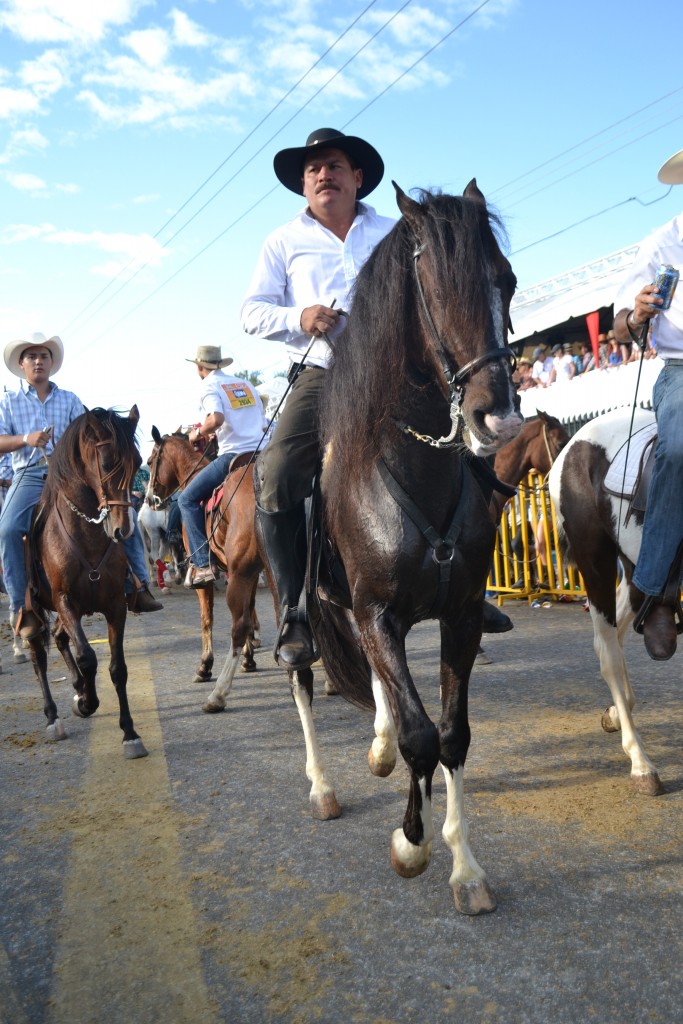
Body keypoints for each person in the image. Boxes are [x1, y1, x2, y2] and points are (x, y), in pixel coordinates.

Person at [240, 127, 396, 669]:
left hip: (392, 373)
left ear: (357, 177)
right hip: (322, 373)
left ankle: (471, 589)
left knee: (468, 443)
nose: (322, 174)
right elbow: (251, 313)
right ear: (304, 185)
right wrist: (298, 317)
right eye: (313, 170)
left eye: (333, 165)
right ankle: (295, 612)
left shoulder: (395, 231)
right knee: (278, 470)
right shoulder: (283, 240)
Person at [0, 333, 162, 639]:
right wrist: (26, 439)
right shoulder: (7, 401)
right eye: (32, 357)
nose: (38, 361)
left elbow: (89, 438)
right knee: (7, 529)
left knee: (120, 509)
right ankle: (21, 606)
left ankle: (138, 585)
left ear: (51, 363)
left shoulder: (70, 400)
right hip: (29, 474)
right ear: (21, 364)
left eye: (44, 356)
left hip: (70, 478)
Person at [613, 145, 683, 660]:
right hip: (681, 370)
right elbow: (622, 324)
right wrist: (637, 312)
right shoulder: (662, 244)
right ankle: (657, 591)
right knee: (679, 451)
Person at [180, 345, 268, 588]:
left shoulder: (208, 386)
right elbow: (257, 422)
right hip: (261, 454)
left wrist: (197, 432)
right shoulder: (244, 385)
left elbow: (216, 418)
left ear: (200, 367)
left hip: (233, 458)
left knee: (185, 500)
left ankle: (202, 564)